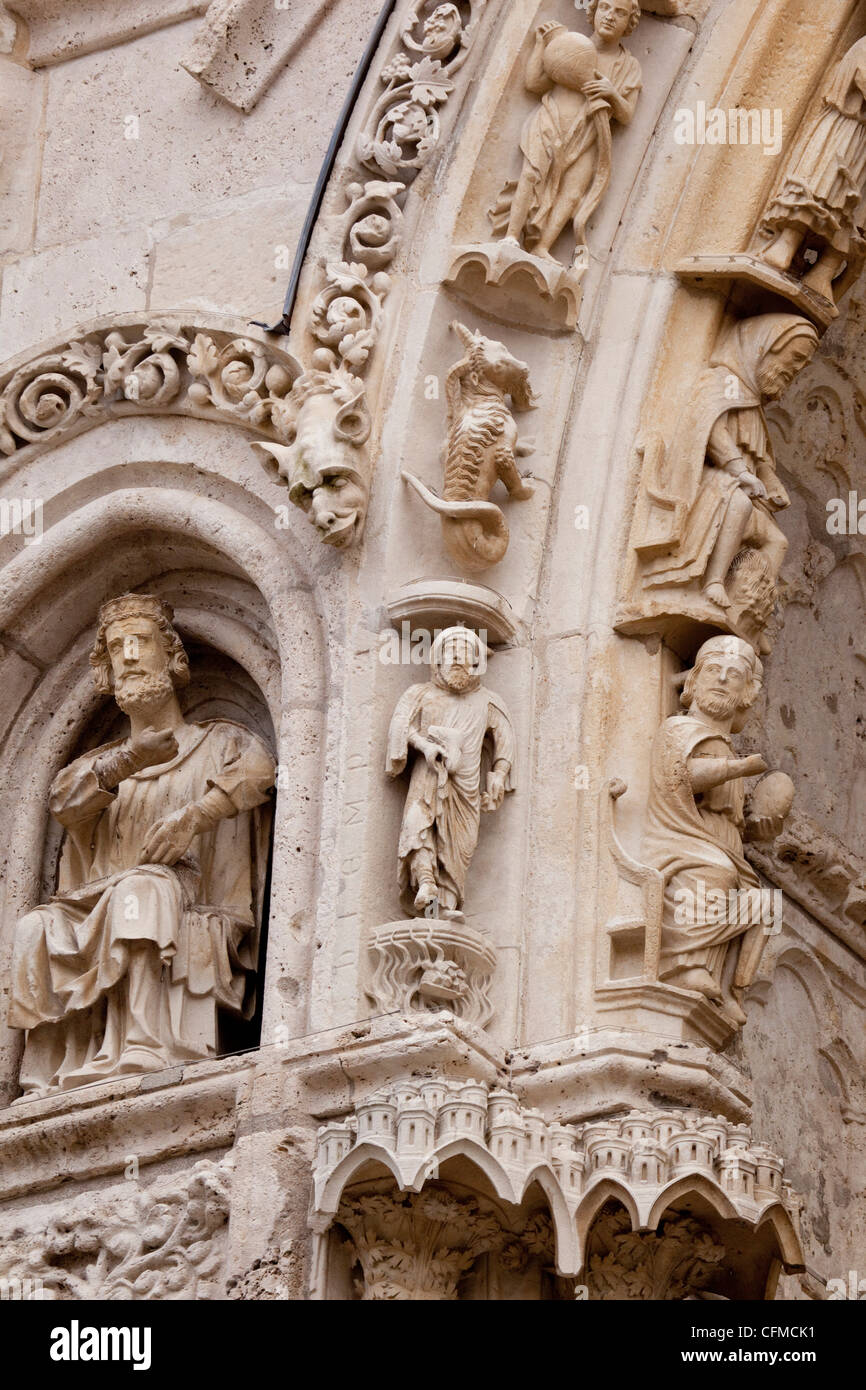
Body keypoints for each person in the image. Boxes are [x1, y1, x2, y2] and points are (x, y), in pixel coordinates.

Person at [9, 593, 274, 1096]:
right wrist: (130, 757)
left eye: (140, 642)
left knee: (144, 887)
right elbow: (66, 803)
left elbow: (259, 770)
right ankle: (41, 1076)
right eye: (115, 648)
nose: (128, 656)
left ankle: (143, 1042)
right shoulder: (102, 762)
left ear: (172, 657)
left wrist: (197, 816)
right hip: (98, 899)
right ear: (105, 670)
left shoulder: (219, 741)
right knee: (33, 926)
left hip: (185, 896)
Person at [642, 636, 792, 1023]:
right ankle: (683, 965)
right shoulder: (680, 729)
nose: (722, 680)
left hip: (722, 841)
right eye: (712, 671)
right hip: (680, 834)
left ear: (746, 693)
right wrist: (738, 768)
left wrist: (760, 826)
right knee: (716, 874)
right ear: (693, 680)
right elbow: (682, 778)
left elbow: (734, 816)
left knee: (764, 906)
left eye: (734, 675)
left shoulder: (724, 745)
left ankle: (730, 989)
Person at [643, 314, 819, 610]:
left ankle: (747, 608)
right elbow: (709, 429)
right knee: (740, 505)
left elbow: (761, 460)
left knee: (777, 541)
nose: (795, 370)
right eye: (795, 358)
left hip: (739, 488)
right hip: (710, 485)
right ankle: (712, 581)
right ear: (766, 346)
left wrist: (771, 485)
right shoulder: (721, 383)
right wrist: (739, 470)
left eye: (802, 365)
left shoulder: (752, 405)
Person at [495, 0, 642, 264]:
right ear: (593, 12)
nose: (610, 17)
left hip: (590, 137)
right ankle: (511, 235)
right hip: (551, 121)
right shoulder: (571, 45)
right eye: (605, 8)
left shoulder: (627, 65)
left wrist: (612, 93)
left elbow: (627, 114)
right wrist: (541, 46)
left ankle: (543, 246)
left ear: (629, 23)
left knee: (573, 192)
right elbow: (534, 84)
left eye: (620, 13)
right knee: (531, 175)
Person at [386, 627, 515, 919]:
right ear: (437, 661)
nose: (457, 658)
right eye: (450, 652)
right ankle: (425, 884)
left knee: (457, 851)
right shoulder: (421, 694)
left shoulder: (487, 701)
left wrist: (499, 772)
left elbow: (504, 737)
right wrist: (425, 746)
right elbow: (400, 727)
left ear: (476, 662)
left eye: (465, 653)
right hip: (429, 777)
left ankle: (439, 911)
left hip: (466, 789)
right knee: (418, 823)